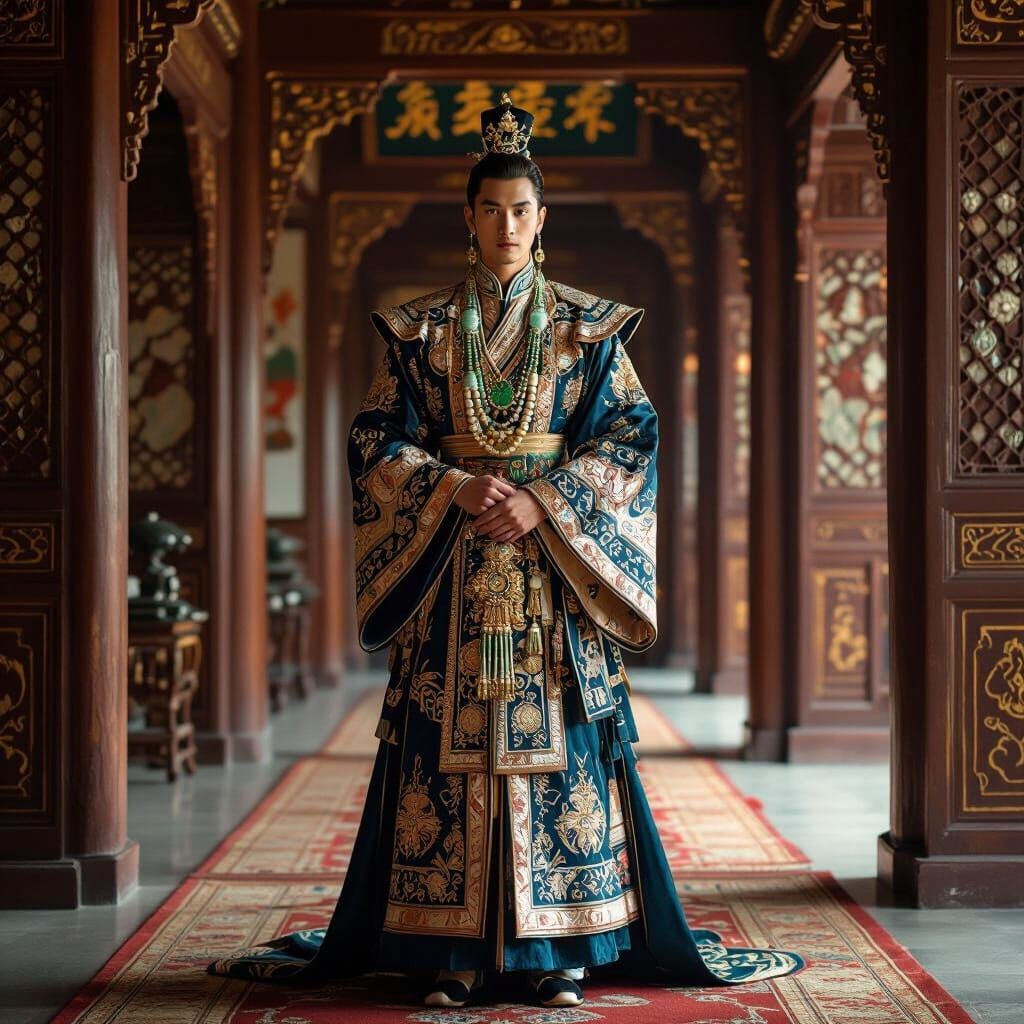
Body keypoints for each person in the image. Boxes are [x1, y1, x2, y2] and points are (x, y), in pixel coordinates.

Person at [208, 94, 802, 1009]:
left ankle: (560, 950)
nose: (507, 225)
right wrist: (451, 487)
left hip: (552, 577)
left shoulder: (587, 328)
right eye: (490, 210)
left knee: (563, 751)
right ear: (469, 218)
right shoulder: (421, 331)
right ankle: (446, 951)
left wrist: (544, 500)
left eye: (522, 210)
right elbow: (373, 438)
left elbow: (632, 436)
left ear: (542, 218)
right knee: (445, 750)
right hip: (453, 570)